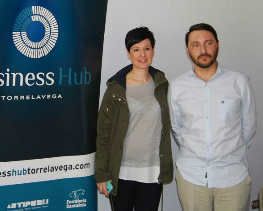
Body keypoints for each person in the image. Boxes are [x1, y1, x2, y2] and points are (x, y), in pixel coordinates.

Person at [169, 23, 256, 211]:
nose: (203, 50)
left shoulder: (239, 82)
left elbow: (248, 127)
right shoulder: (177, 87)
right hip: (192, 178)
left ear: (217, 45)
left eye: (208, 43)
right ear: (188, 50)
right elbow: (177, 128)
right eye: (196, 44)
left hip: (233, 178)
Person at [95, 27, 173, 211]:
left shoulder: (161, 84)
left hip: (152, 170)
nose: (142, 54)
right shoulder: (115, 89)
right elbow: (103, 134)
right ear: (128, 54)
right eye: (136, 49)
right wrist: (102, 174)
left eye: (147, 48)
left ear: (153, 51)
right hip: (121, 171)